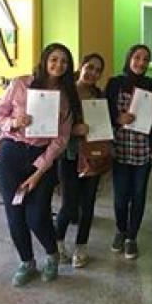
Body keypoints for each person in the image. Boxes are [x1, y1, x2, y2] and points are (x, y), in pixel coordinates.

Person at [0, 43, 78, 286]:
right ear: (44, 61)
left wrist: (39, 171)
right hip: (12, 153)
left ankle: (52, 255)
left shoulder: (66, 96)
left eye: (64, 61)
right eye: (54, 59)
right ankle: (27, 261)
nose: (58, 65)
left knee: (37, 215)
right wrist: (14, 122)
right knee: (14, 214)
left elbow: (61, 139)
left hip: (43, 156)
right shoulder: (20, 83)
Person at [106, 44, 152, 260]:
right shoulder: (114, 83)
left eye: (145, 59)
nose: (141, 62)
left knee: (139, 195)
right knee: (121, 196)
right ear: (129, 58)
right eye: (137, 57)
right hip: (120, 148)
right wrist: (117, 118)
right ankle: (120, 230)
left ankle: (132, 237)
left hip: (143, 150)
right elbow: (104, 112)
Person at [55, 53, 106, 268]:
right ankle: (57, 243)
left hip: (92, 156)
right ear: (81, 66)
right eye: (90, 67)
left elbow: (103, 125)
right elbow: (54, 124)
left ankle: (81, 246)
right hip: (70, 156)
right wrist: (73, 130)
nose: (92, 73)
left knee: (88, 203)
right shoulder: (65, 92)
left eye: (98, 71)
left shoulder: (99, 96)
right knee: (69, 204)